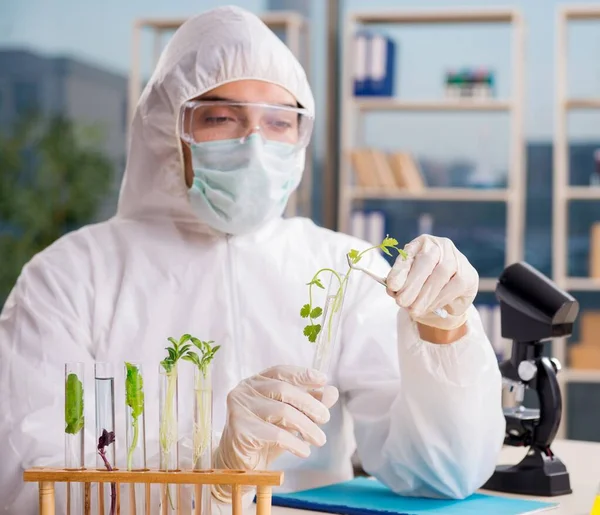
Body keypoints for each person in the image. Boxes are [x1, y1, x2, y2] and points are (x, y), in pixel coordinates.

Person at [0, 5, 505, 514]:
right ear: (167, 127)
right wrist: (207, 477)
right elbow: (23, 485)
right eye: (221, 117)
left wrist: (444, 333)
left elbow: (441, 475)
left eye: (280, 121)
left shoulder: (342, 268)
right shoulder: (68, 278)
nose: (255, 145)